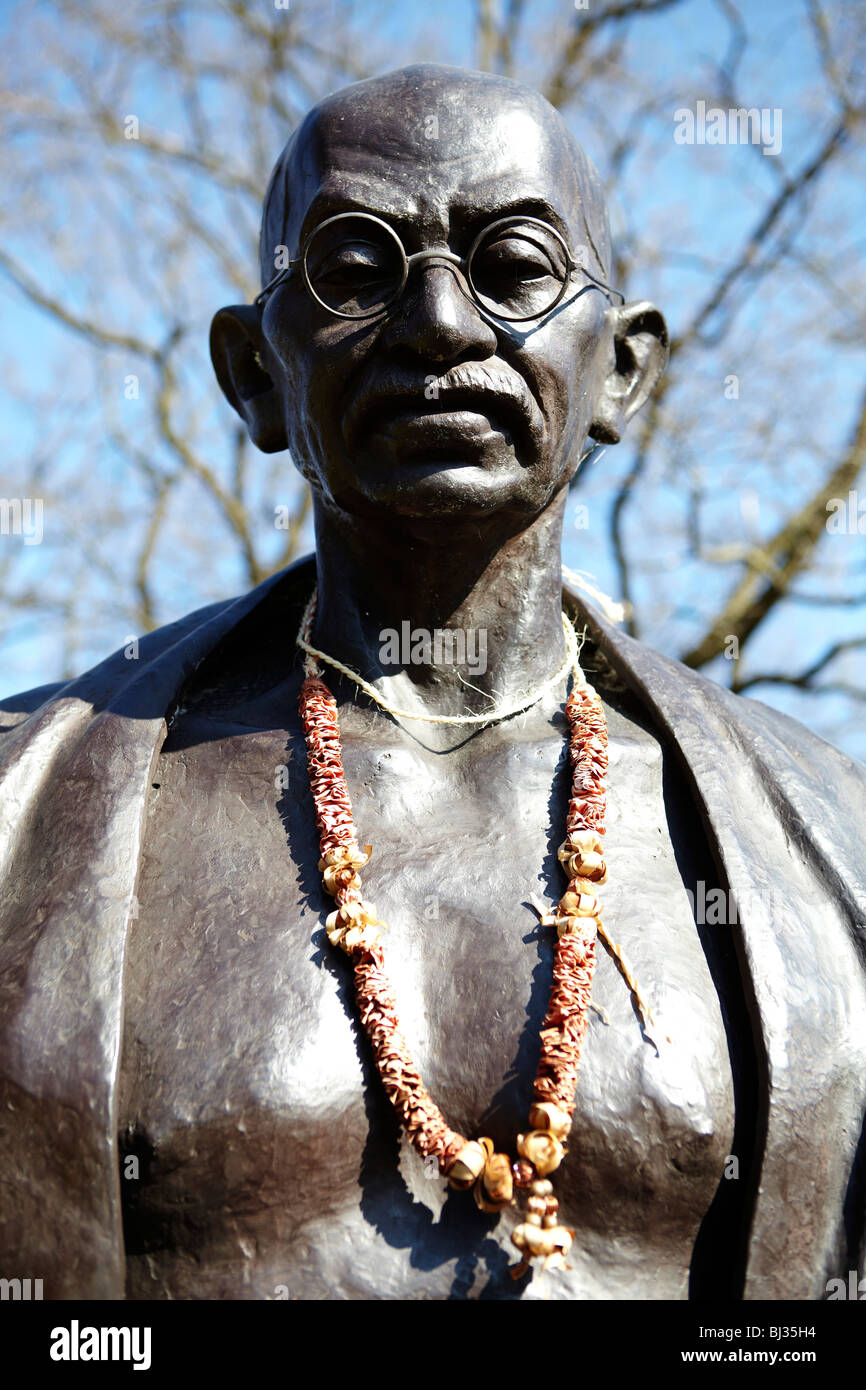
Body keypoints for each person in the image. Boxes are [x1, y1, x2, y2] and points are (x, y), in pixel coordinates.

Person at [1, 64, 864, 1302]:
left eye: (514, 266)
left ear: (621, 368)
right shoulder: (23, 812)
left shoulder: (829, 839)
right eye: (354, 272)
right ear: (252, 373)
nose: (442, 326)